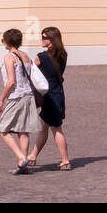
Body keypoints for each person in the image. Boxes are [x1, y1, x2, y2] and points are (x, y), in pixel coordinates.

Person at [0, 28, 42, 173]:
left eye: (3, 39)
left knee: (3, 129)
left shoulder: (9, 57)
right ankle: (23, 167)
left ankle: (21, 158)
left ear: (7, 41)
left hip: (16, 96)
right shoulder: (25, 55)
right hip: (28, 96)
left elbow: (11, 81)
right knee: (23, 131)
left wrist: (1, 99)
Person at [26, 26, 72, 171]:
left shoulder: (42, 57)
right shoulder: (63, 55)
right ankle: (32, 156)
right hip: (58, 94)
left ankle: (65, 161)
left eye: (44, 37)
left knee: (56, 128)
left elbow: (30, 73)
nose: (41, 39)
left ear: (52, 39)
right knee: (43, 128)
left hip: (48, 97)